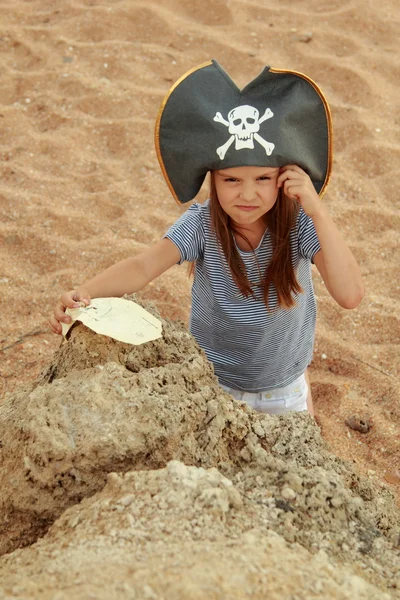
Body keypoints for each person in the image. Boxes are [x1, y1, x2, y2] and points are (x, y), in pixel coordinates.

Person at [50, 60, 364, 418]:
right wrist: (84, 292)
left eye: (262, 179)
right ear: (212, 180)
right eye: (231, 180)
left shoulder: (300, 225)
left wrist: (318, 211)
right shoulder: (201, 225)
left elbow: (350, 294)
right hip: (213, 386)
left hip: (283, 390)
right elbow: (143, 266)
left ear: (283, 177)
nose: (247, 194)